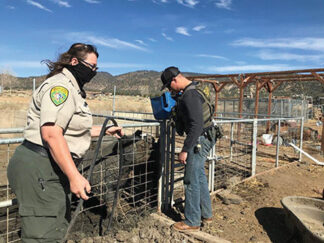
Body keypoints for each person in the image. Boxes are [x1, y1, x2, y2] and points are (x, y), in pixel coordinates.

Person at [7, 43, 123, 242]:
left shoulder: (72, 88)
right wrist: (75, 176)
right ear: (74, 62)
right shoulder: (61, 88)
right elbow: (51, 133)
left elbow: (68, 129)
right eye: (91, 67)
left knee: (56, 227)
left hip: (51, 166)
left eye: (96, 68)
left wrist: (105, 130)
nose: (94, 72)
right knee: (44, 235)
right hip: (42, 166)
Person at [160, 66, 218, 232]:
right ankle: (206, 214)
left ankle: (192, 221)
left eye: (169, 86)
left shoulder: (190, 95)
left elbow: (196, 124)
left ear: (175, 80)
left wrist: (185, 149)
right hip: (206, 136)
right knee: (198, 175)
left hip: (199, 139)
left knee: (190, 179)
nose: (170, 89)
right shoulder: (192, 91)